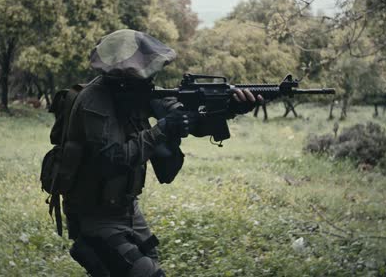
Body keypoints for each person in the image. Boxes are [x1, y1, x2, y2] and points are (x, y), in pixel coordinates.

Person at [63, 29, 260, 277]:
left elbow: (187, 118)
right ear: (123, 77)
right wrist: (163, 129)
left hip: (126, 208)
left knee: (147, 261)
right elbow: (113, 160)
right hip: (95, 214)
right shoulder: (95, 101)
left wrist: (230, 108)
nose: (151, 80)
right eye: (145, 74)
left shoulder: (137, 94)